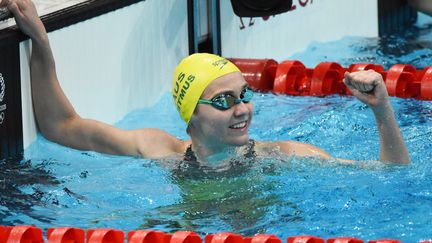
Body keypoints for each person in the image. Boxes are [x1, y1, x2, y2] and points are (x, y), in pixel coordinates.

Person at [1, 0, 411, 165]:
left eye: (245, 95)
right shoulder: (158, 149)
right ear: (190, 116)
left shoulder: (282, 155)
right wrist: (40, 40)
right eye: (224, 101)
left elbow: (389, 174)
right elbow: (62, 126)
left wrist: (382, 110)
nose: (243, 109)